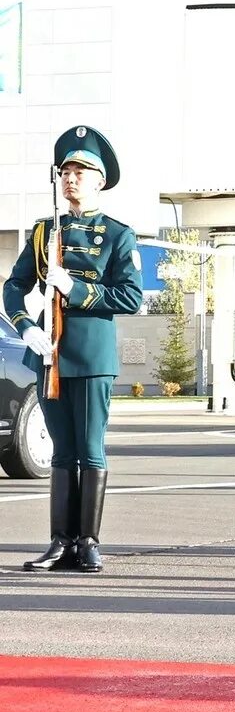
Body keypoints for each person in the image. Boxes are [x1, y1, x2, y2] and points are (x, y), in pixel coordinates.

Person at [3, 125, 143, 574]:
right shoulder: (45, 231)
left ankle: (88, 542)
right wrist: (25, 327)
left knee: (91, 449)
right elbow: (14, 286)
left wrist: (75, 288)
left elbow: (130, 297)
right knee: (62, 452)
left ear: (100, 180)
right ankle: (59, 542)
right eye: (65, 171)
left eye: (80, 171)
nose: (71, 178)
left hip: (91, 356)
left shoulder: (118, 235)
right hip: (48, 355)